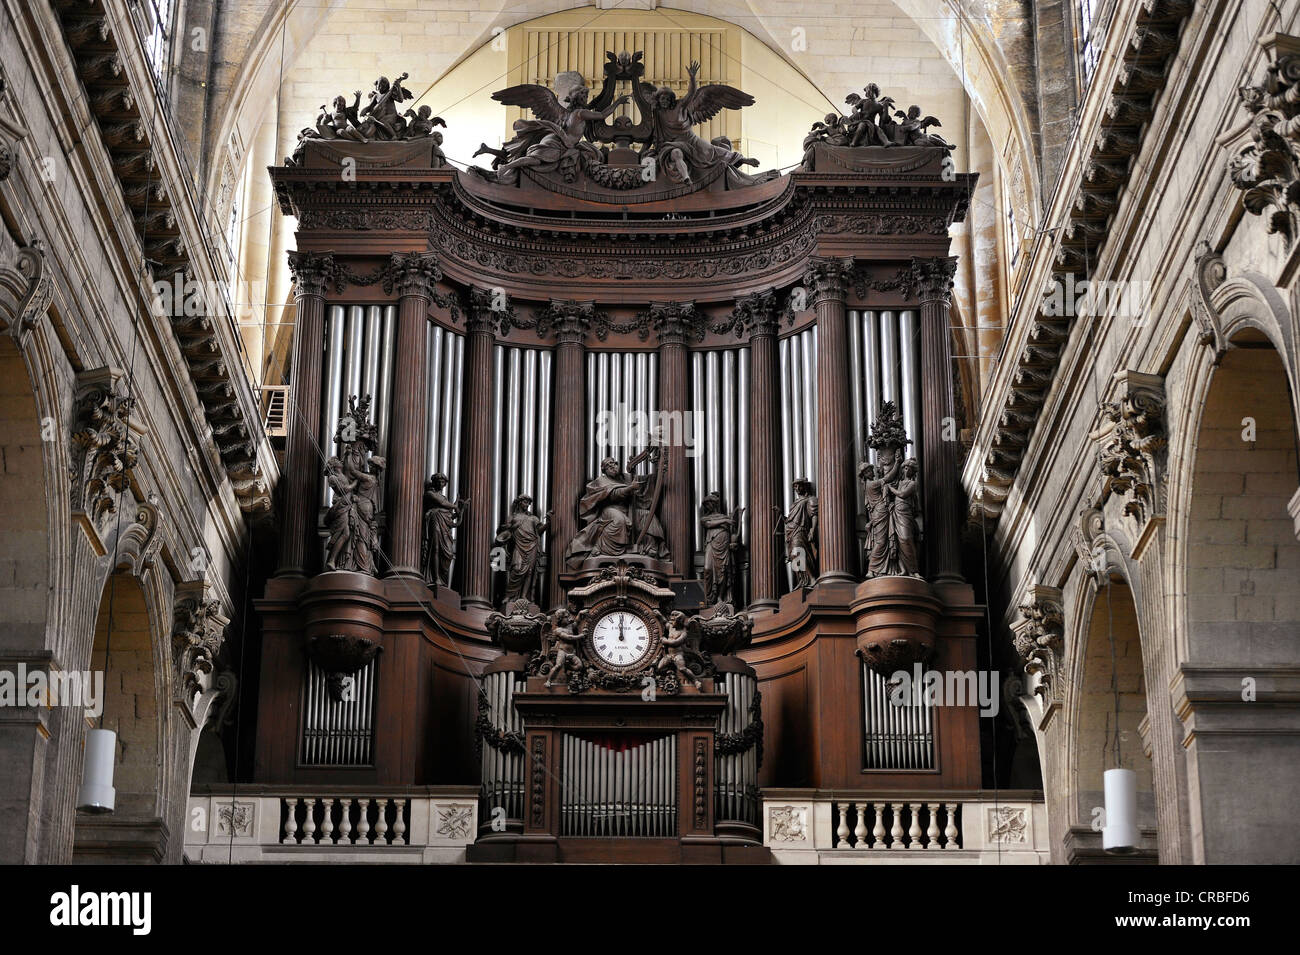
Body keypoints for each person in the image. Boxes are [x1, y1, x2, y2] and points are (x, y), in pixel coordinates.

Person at [563, 456, 669, 568]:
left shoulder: (626, 478)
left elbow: (647, 482)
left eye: (615, 463)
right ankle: (605, 548)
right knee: (619, 519)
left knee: (647, 516)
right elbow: (614, 494)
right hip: (610, 509)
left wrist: (659, 468)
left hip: (627, 509)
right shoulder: (601, 481)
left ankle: (650, 548)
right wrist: (630, 488)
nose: (613, 466)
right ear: (604, 470)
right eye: (609, 465)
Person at [495, 494, 551, 605]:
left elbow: (539, 530)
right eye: (525, 502)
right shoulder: (513, 517)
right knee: (516, 568)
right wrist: (508, 528)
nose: (527, 505)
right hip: (519, 546)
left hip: (532, 545)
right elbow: (505, 530)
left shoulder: (533, 518)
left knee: (529, 571)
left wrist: (548, 522)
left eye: (529, 503)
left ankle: (524, 596)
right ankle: (509, 595)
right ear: (520, 502)